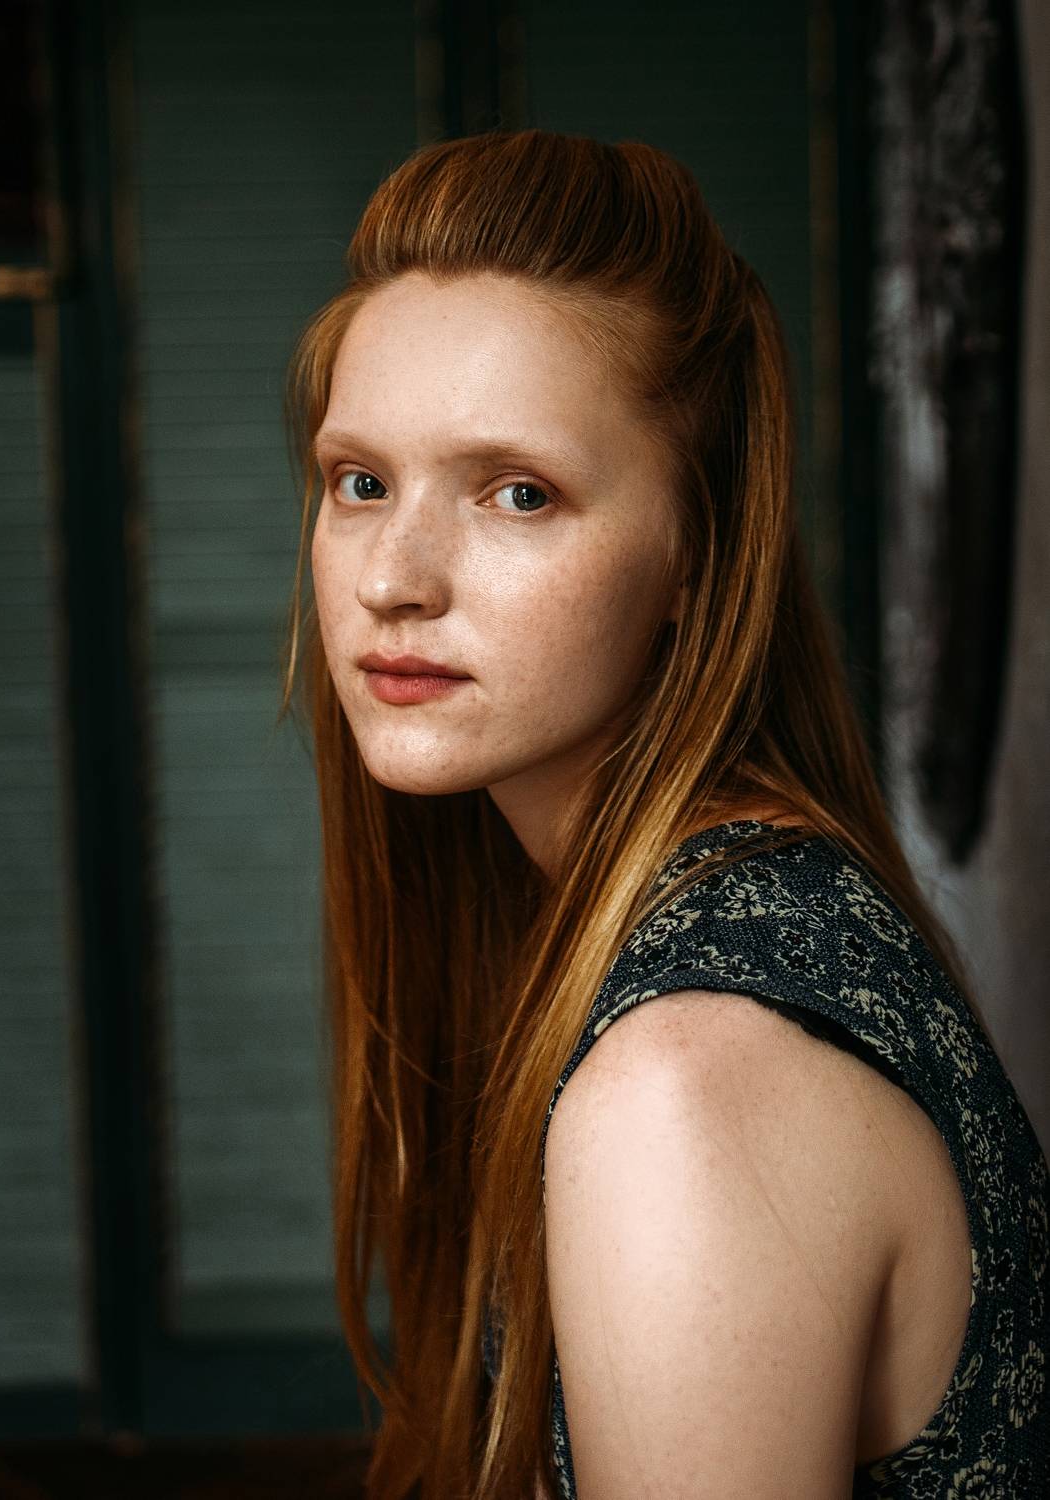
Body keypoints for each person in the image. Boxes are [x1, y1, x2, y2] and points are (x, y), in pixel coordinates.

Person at [277, 129, 1050, 1499]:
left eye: (518, 493)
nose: (394, 577)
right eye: (361, 482)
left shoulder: (686, 1095)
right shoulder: (714, 910)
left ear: (696, 549)